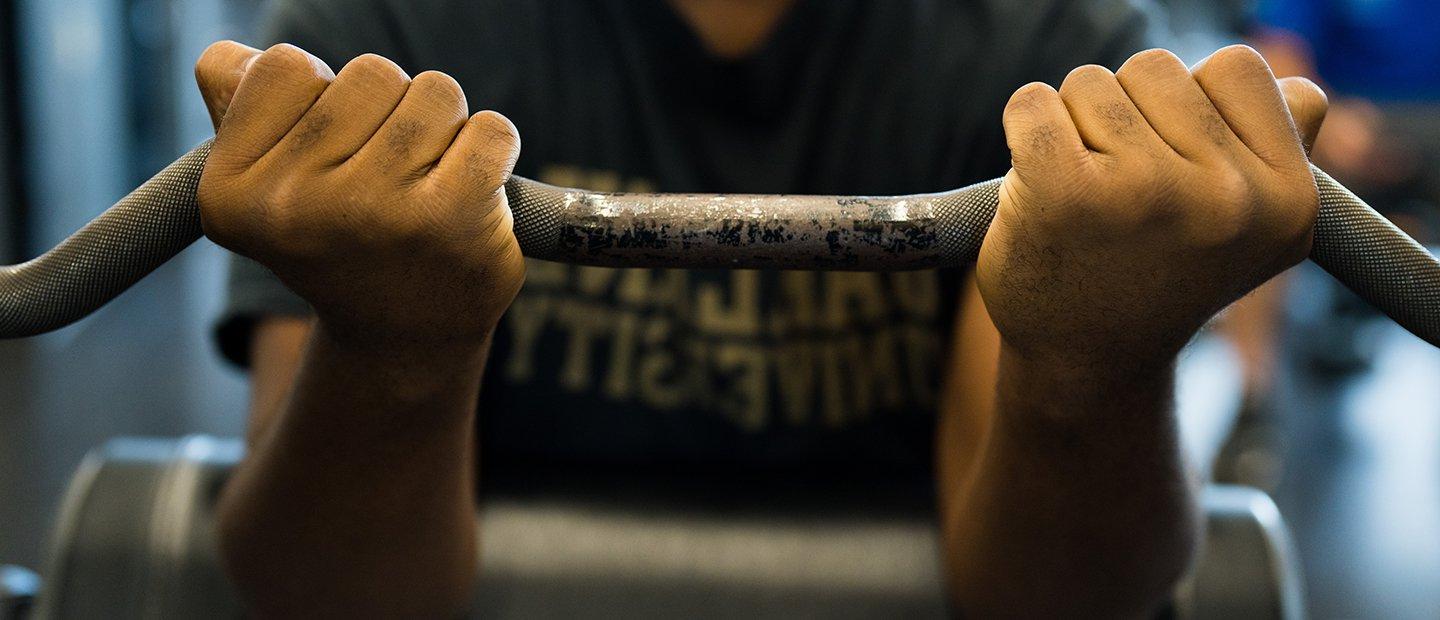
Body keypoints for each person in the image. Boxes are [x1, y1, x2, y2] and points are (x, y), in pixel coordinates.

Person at [194, 0, 1327, 616]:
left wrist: (1097, 365)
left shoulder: (1053, 58)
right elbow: (317, 591)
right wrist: (393, 348)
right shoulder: (391, 42)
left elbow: (1044, 598)